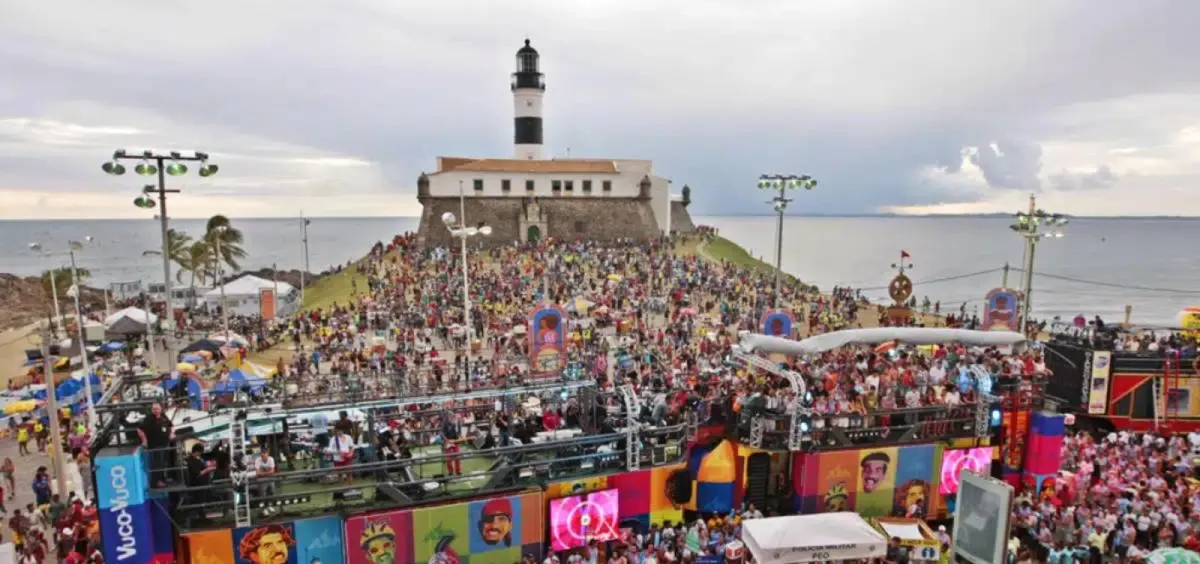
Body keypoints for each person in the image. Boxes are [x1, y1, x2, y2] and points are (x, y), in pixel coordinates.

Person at [136, 402, 174, 487]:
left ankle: (163, 478)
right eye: (154, 409)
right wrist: (144, 440)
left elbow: (171, 425)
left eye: (157, 409)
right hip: (155, 445)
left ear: (161, 409)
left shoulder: (163, 416)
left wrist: (171, 433)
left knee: (164, 462)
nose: (156, 411)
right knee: (158, 464)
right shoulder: (148, 419)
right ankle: (157, 481)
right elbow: (139, 430)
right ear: (152, 410)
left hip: (165, 443)